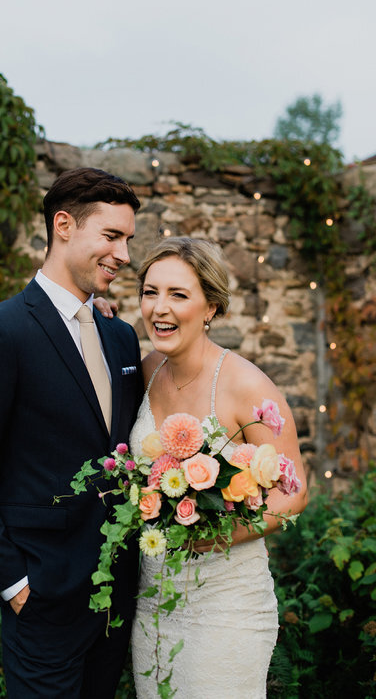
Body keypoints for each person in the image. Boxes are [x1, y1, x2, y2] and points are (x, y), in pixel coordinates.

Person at [0, 167, 145, 697]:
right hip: (44, 601)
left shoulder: (119, 337)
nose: (123, 254)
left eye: (128, 240)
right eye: (111, 236)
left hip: (117, 601)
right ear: (64, 225)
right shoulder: (1, 332)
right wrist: (15, 585)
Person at [118, 237, 308, 697]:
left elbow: (295, 492)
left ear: (211, 308)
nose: (159, 308)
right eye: (150, 292)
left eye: (178, 295)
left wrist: (215, 537)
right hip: (154, 603)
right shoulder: (145, 373)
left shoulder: (245, 384)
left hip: (227, 608)